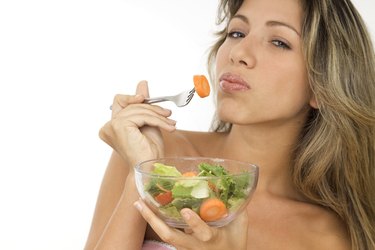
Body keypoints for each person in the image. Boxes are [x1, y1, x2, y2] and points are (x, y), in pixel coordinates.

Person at [84, 0, 375, 249]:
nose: (238, 53)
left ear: (321, 86)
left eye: (279, 42)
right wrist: (144, 174)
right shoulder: (153, 152)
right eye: (236, 32)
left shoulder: (327, 237)